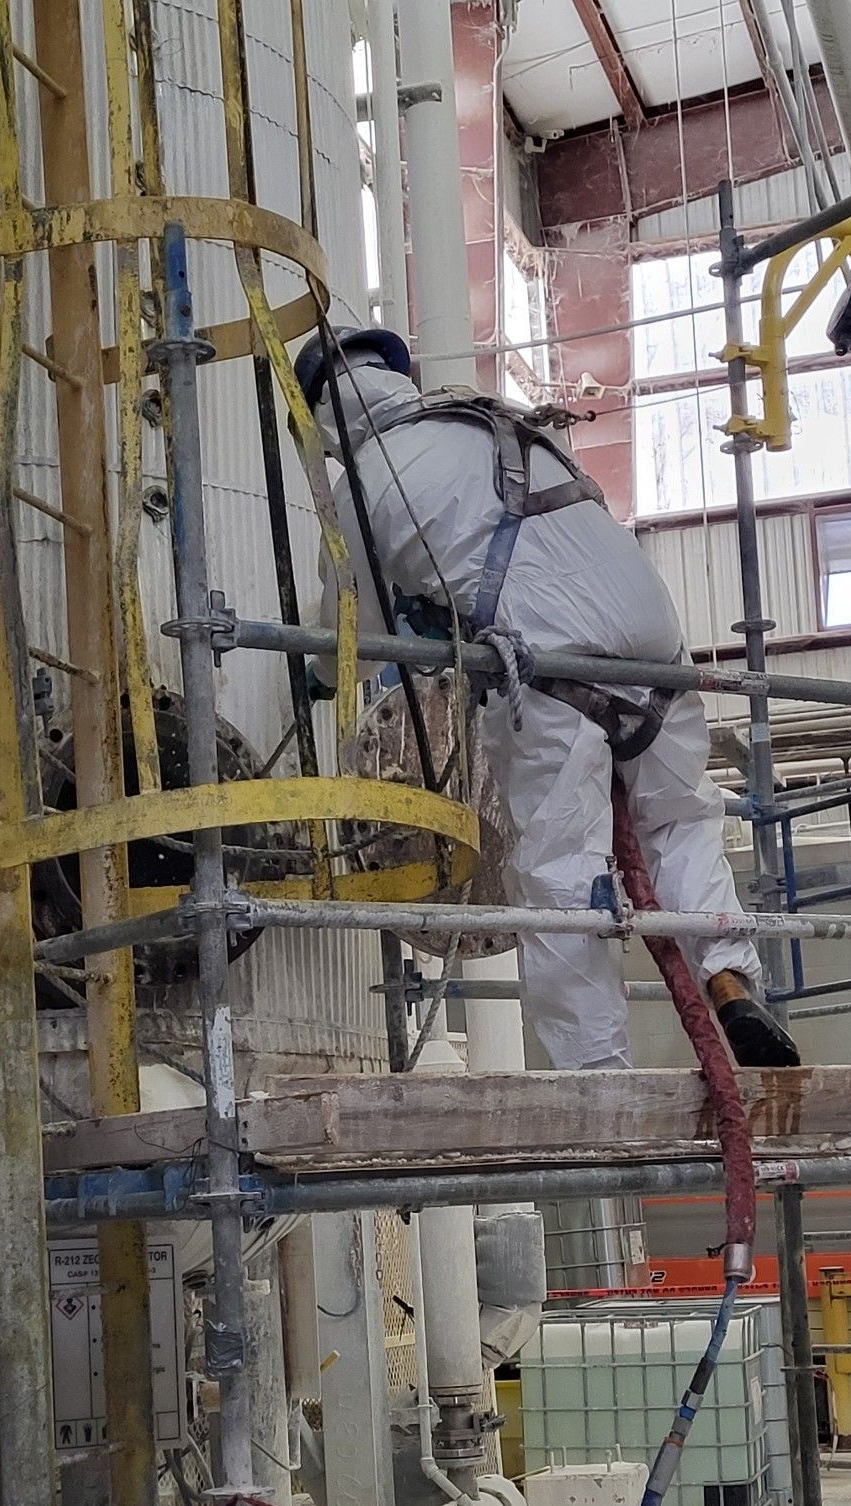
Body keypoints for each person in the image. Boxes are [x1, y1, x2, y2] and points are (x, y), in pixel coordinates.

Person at [294, 324, 799, 1073]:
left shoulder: (364, 480)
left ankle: (599, 1076)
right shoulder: (494, 419)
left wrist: (318, 677)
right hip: (654, 635)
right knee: (681, 820)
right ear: (396, 380)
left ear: (324, 419)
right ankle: (729, 977)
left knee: (561, 875)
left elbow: (352, 624)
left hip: (554, 661)